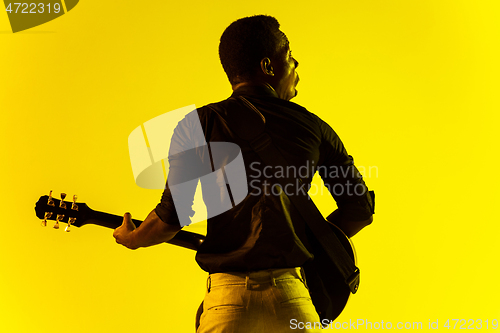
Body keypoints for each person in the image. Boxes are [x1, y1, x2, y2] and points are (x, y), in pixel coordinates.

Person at [113, 15, 374, 332]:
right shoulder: (313, 127)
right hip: (294, 298)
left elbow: (171, 219)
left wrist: (134, 238)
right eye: (289, 56)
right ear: (268, 67)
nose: (296, 64)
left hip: (227, 300)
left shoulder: (199, 124)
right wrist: (313, 238)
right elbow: (359, 210)